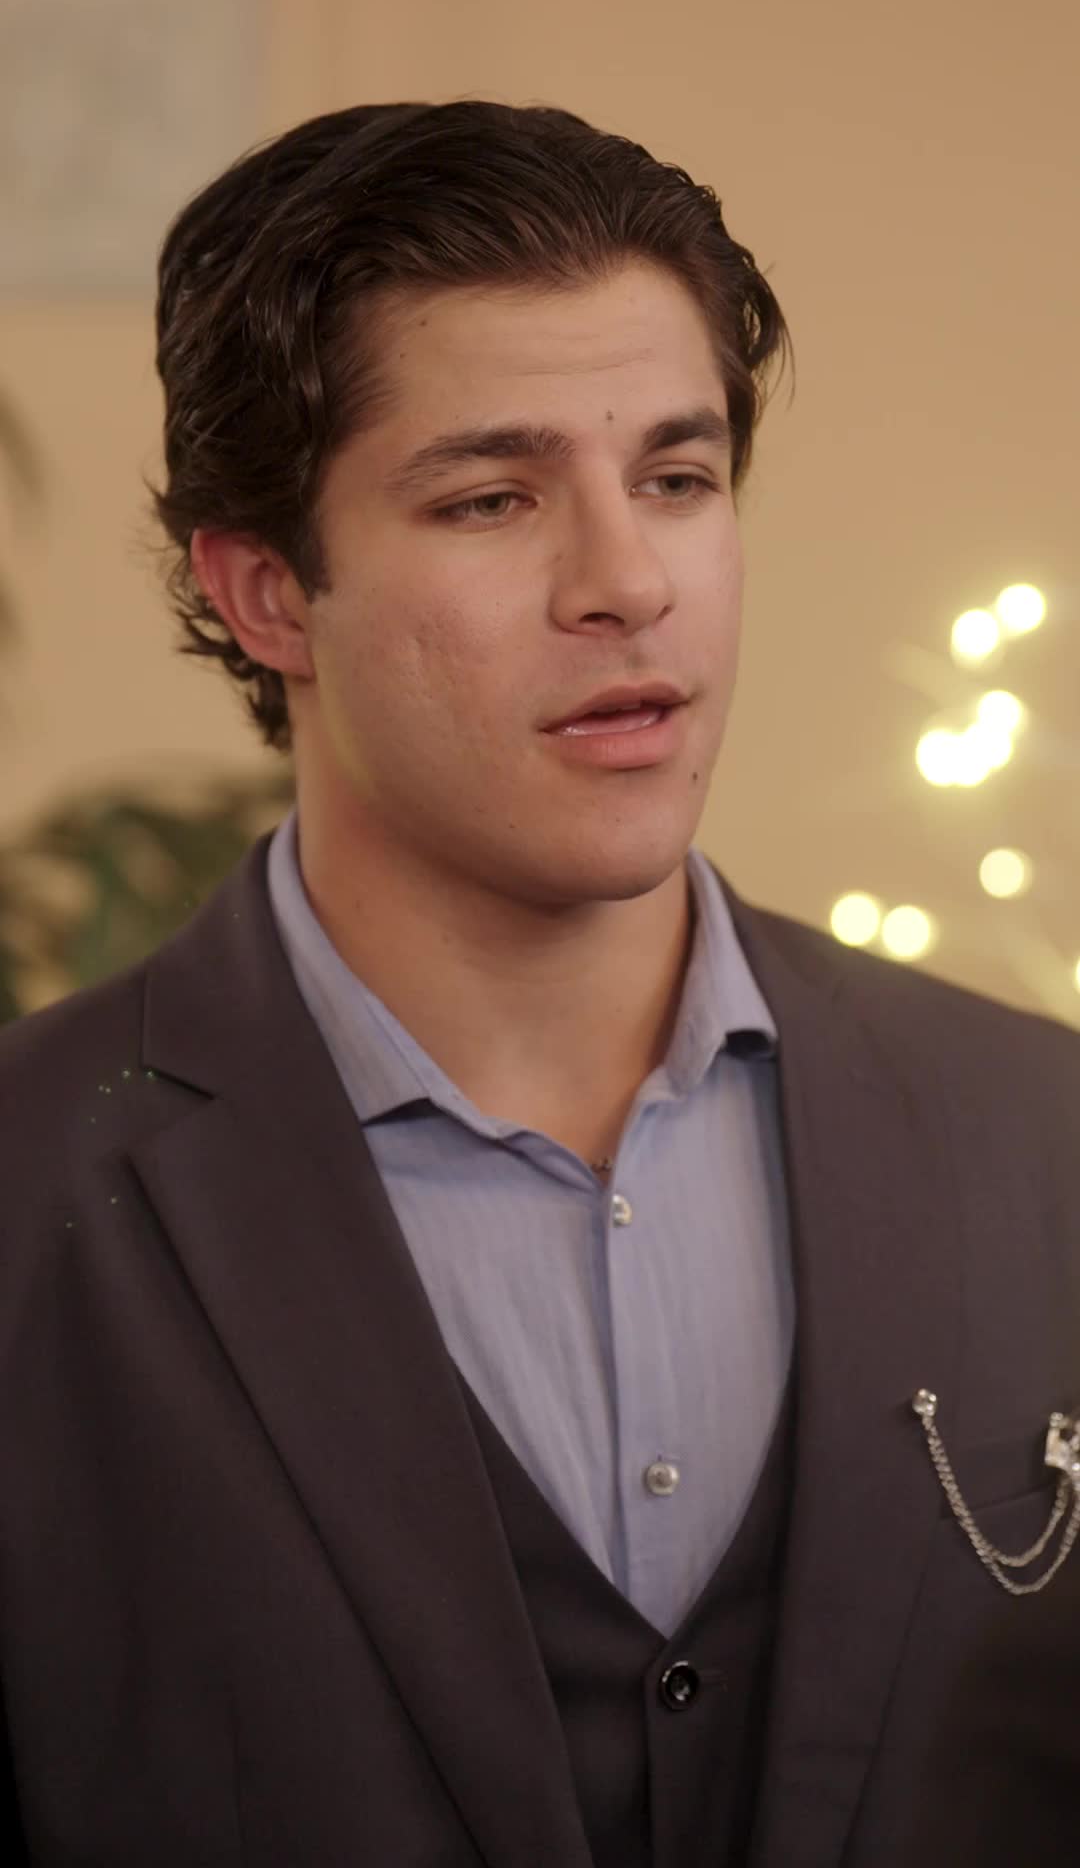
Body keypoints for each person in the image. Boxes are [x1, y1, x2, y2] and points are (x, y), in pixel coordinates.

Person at [1, 99, 1078, 1868]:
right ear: (266, 594)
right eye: (492, 498)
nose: (627, 582)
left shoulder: (1043, 1133)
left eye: (678, 477)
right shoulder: (27, 1186)